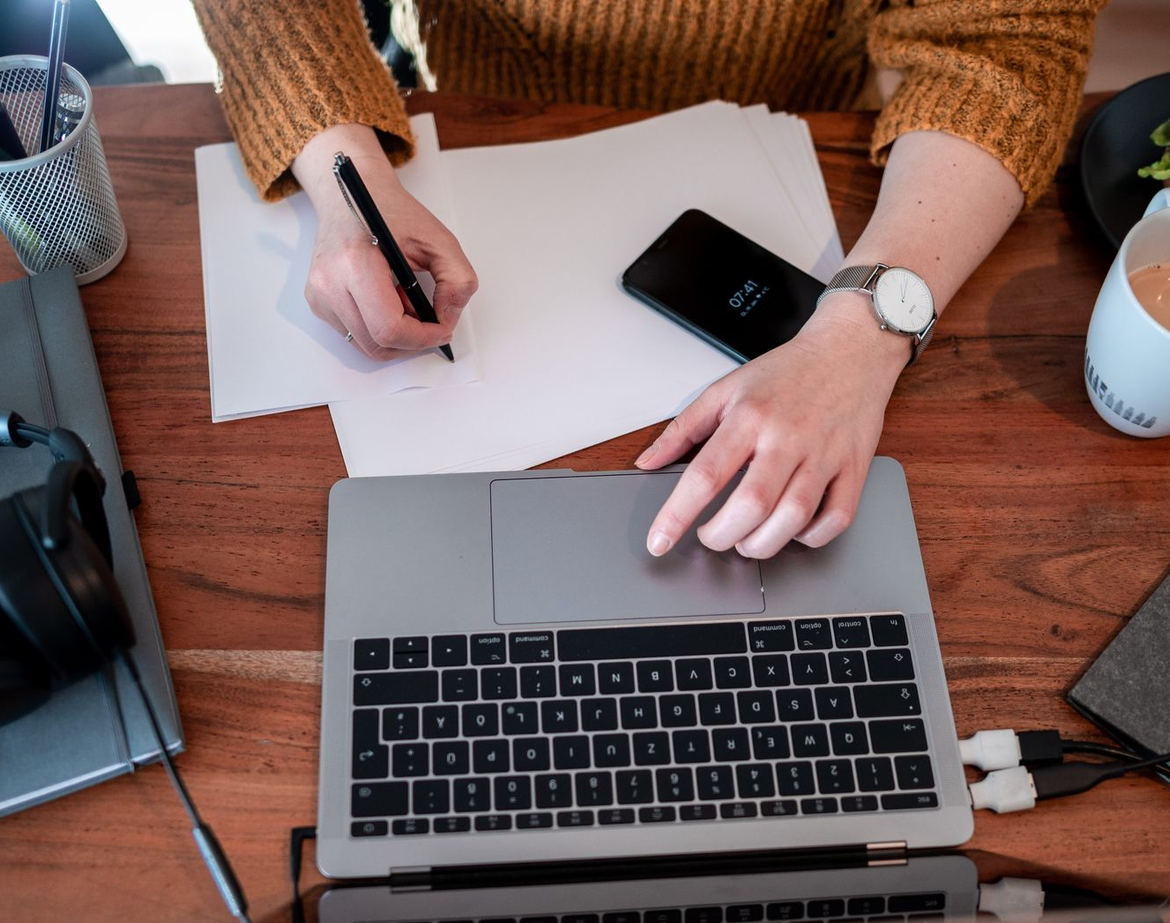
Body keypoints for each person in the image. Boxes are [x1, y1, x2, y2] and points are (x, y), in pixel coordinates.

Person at [194, 0, 1102, 559]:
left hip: (808, 123)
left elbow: (1005, 43)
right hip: (461, 102)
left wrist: (865, 329)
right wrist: (339, 162)